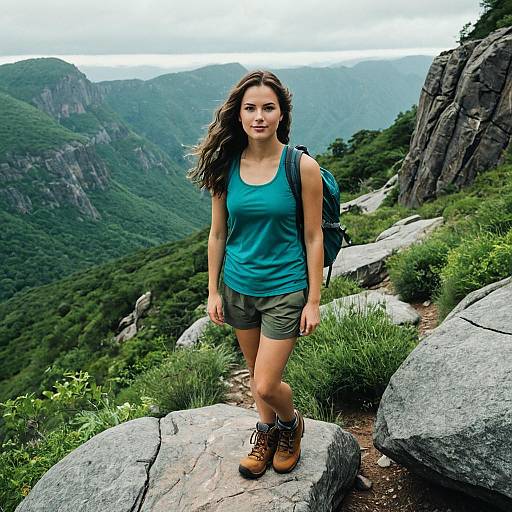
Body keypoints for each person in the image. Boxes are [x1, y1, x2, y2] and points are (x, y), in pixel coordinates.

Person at [188, 69, 323, 479]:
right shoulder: (225, 167)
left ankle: (291, 425)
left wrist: (314, 300)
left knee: (266, 384)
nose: (259, 116)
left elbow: (314, 237)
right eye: (251, 108)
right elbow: (217, 233)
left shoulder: (301, 167)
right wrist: (213, 290)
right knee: (253, 373)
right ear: (239, 115)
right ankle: (266, 434)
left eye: (268, 107)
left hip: (285, 289)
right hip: (239, 288)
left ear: (282, 114)